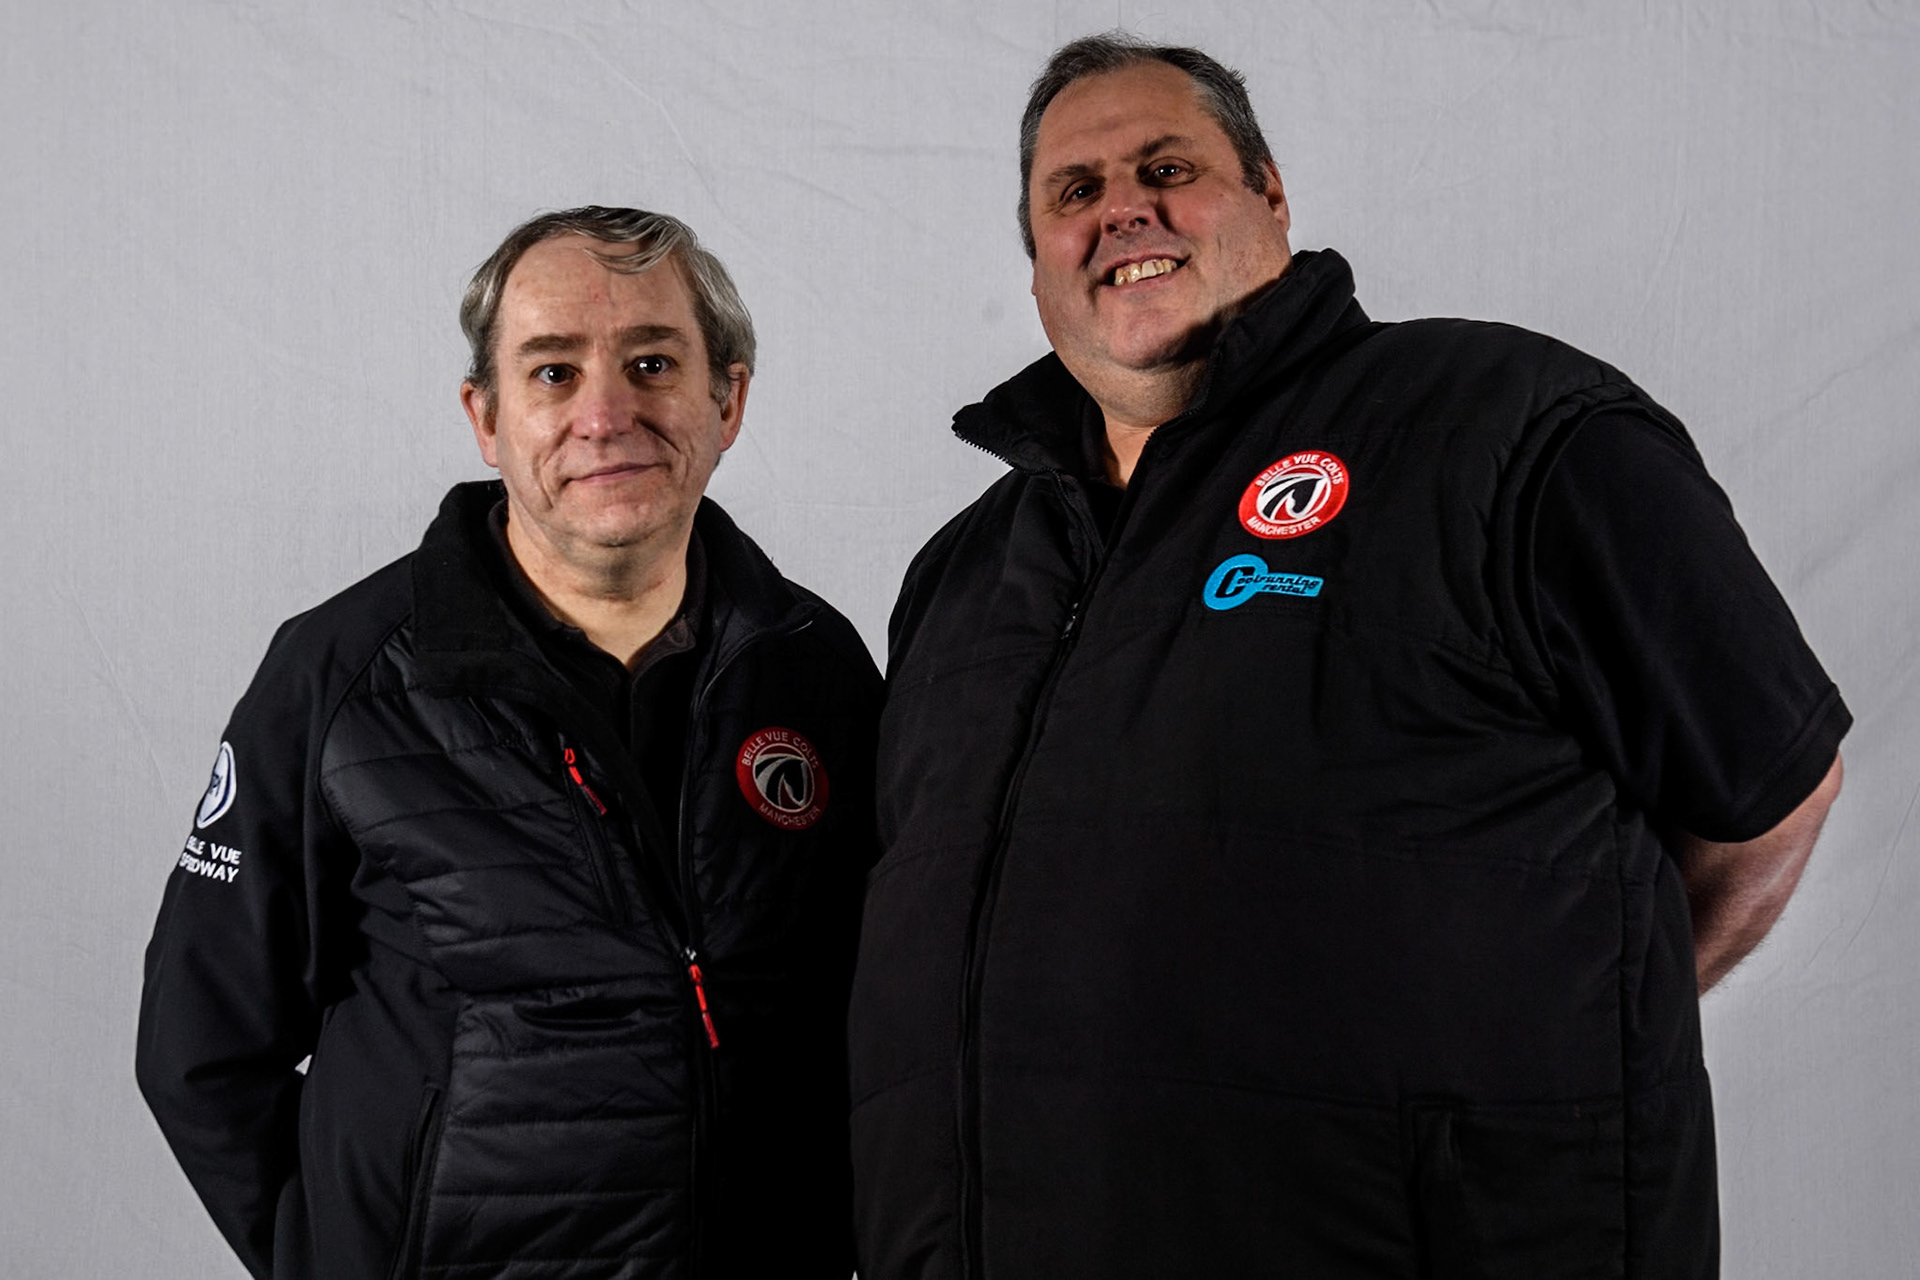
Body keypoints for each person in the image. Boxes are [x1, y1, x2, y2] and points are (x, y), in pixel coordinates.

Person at [847, 34, 1847, 1280]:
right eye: (1076, 190)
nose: (1123, 211)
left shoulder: (1504, 424)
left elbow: (1773, 787)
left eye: (1167, 167)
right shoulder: (962, 574)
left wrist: (1583, 1032)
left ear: (1269, 191)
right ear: (1037, 252)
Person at [137, 207, 881, 1280]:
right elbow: (199, 1046)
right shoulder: (342, 677)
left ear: (729, 400)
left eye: (652, 363)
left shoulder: (814, 664)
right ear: (485, 418)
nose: (605, 414)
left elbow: (871, 999)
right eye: (553, 373)